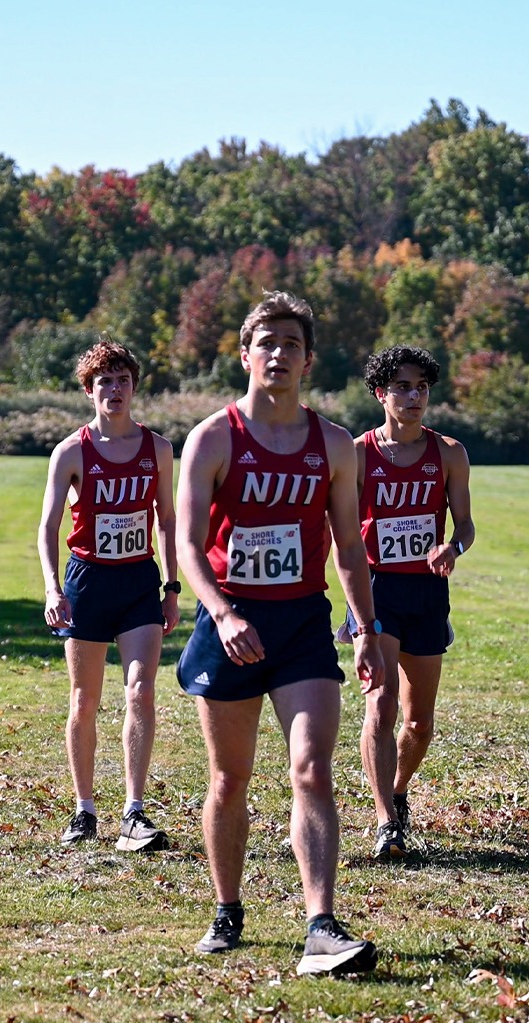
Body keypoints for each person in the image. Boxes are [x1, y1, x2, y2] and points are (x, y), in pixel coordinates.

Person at [175, 291, 385, 976]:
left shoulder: (332, 444)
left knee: (312, 770)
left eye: (291, 343)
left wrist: (368, 628)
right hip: (229, 623)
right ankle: (227, 908)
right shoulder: (212, 438)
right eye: (266, 342)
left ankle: (321, 925)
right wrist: (224, 613)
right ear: (245, 355)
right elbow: (185, 543)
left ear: (307, 359)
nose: (278, 354)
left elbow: (350, 546)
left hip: (300, 626)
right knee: (229, 779)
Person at [36, 342, 181, 852]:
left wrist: (172, 588)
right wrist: (53, 587)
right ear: (89, 390)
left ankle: (134, 812)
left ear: (134, 387)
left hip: (140, 581)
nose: (114, 390)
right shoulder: (72, 451)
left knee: (140, 691)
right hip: (88, 583)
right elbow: (48, 525)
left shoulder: (157, 449)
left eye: (122, 380)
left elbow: (168, 521)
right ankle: (84, 809)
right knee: (85, 699)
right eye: (104, 382)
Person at [350, 345, 474, 860]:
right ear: (381, 394)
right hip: (377, 590)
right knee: (379, 704)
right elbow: (338, 530)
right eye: (402, 386)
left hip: (427, 592)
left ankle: (397, 792)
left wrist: (453, 546)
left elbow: (465, 525)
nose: (413, 395)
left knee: (419, 723)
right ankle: (385, 823)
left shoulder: (448, 452)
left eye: (421, 386)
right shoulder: (357, 454)